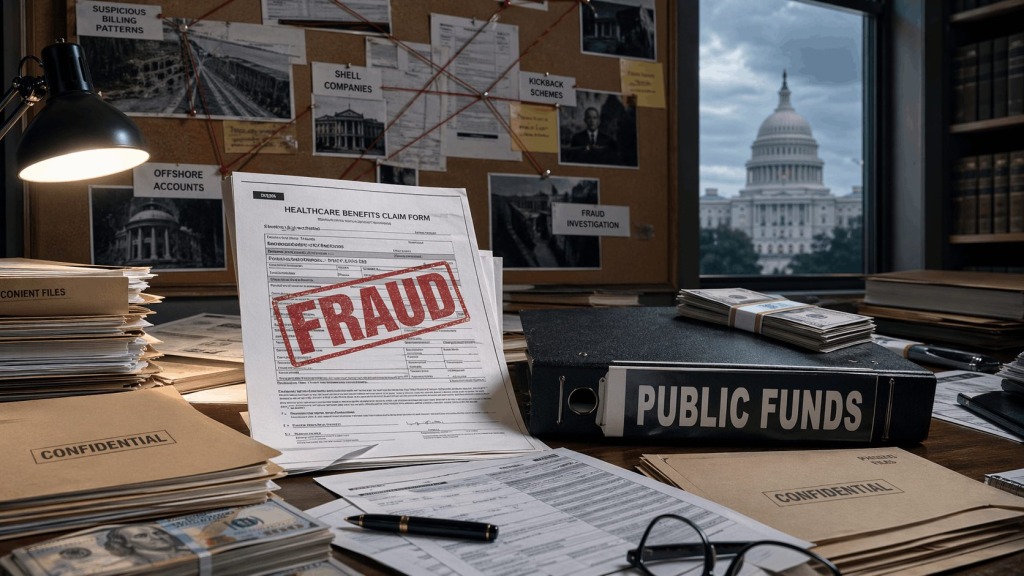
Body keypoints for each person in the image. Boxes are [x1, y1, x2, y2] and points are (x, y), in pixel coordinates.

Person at [103, 524, 192, 566]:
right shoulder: (129, 565)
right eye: (141, 536)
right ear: (126, 543)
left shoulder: (188, 553)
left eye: (157, 533)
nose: (156, 537)